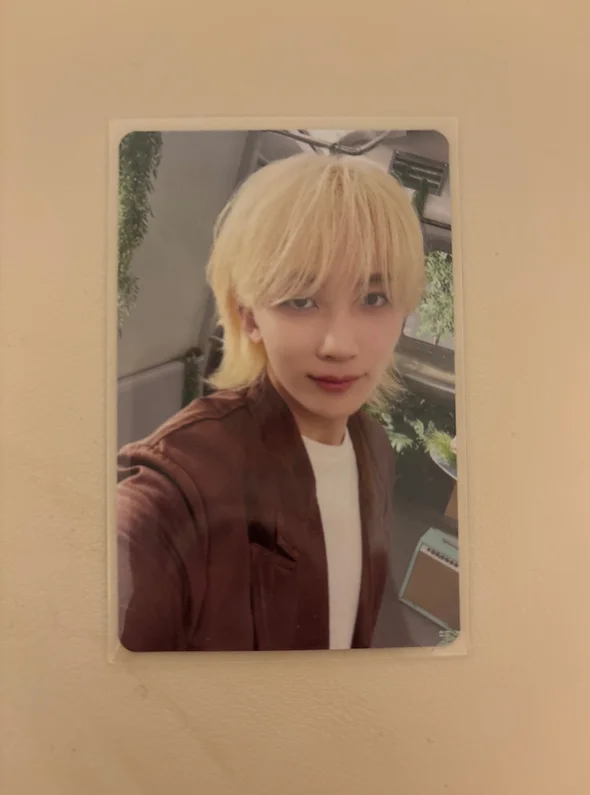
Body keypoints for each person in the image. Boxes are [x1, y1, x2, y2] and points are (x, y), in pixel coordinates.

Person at [117, 151, 425, 652]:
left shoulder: (372, 447)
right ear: (249, 318)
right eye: (301, 300)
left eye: (374, 298)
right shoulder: (180, 485)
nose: (339, 344)